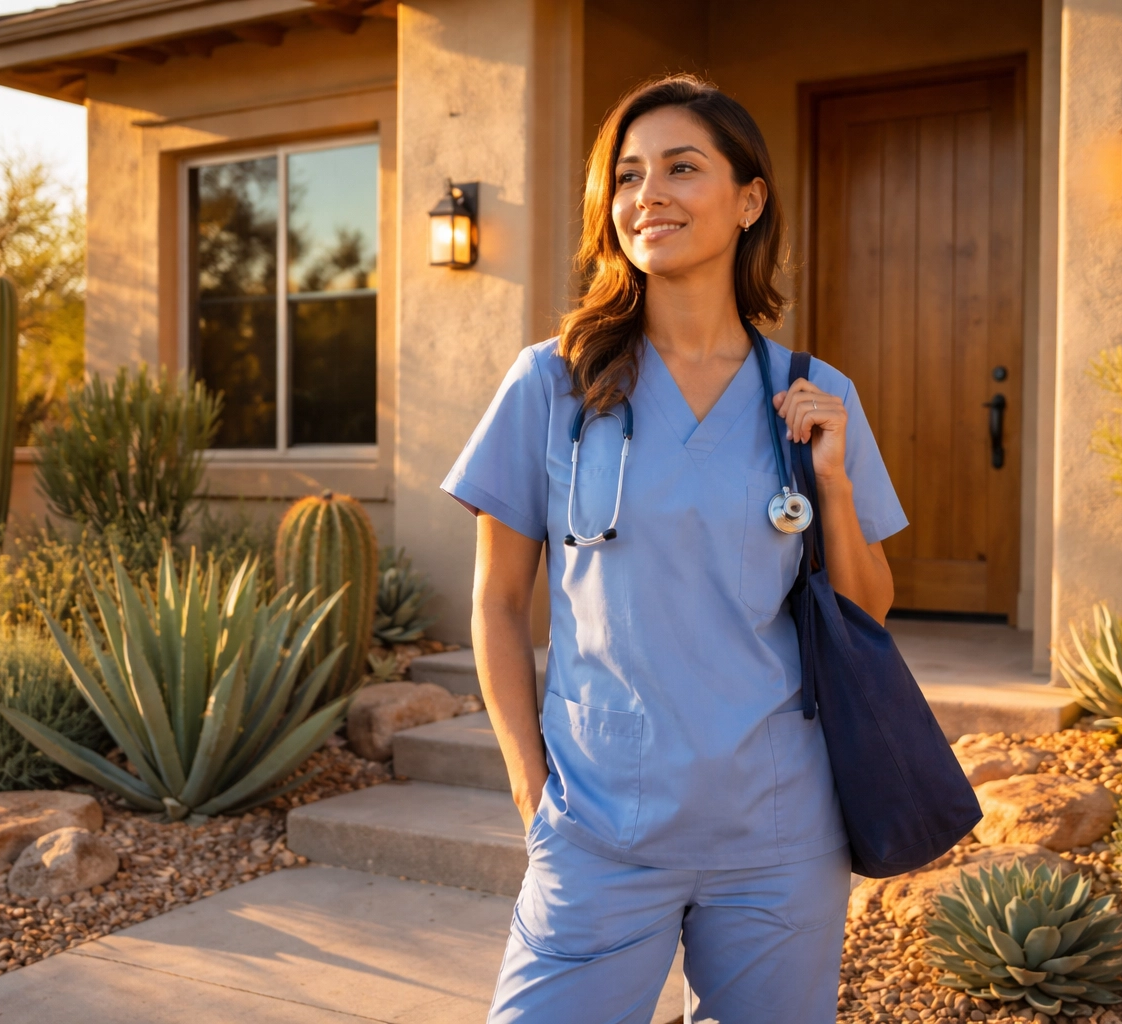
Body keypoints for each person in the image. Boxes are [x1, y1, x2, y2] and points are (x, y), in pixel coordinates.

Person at [442, 74, 907, 1024]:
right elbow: (496, 603)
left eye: (681, 168)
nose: (647, 194)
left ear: (749, 199)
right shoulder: (554, 383)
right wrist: (533, 792)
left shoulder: (817, 395)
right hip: (600, 828)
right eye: (627, 176)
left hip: (778, 834)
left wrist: (837, 487)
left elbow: (869, 609)